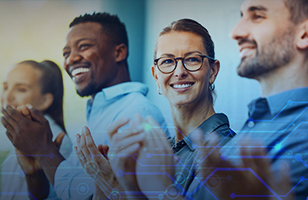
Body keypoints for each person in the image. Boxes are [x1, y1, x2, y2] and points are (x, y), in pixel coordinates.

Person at [1, 12, 167, 200]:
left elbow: (91, 195)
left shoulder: (137, 113)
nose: (70, 60)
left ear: (119, 52)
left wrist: (43, 149)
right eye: (66, 53)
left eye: (84, 46)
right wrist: (35, 172)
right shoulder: (99, 113)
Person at [75, 18, 236, 199]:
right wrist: (102, 183)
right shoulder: (151, 150)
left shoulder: (229, 153)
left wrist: (112, 183)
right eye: (167, 61)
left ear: (213, 71)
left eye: (192, 59)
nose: (179, 71)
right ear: (156, 76)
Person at [196, 0, 308, 199]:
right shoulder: (257, 124)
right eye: (241, 17)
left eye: (257, 16)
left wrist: (160, 188)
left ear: (304, 34)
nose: (235, 33)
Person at [0, 60, 72, 200]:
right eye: (5, 87)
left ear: (44, 101)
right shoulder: (17, 137)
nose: (7, 97)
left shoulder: (57, 143)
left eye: (21, 89)